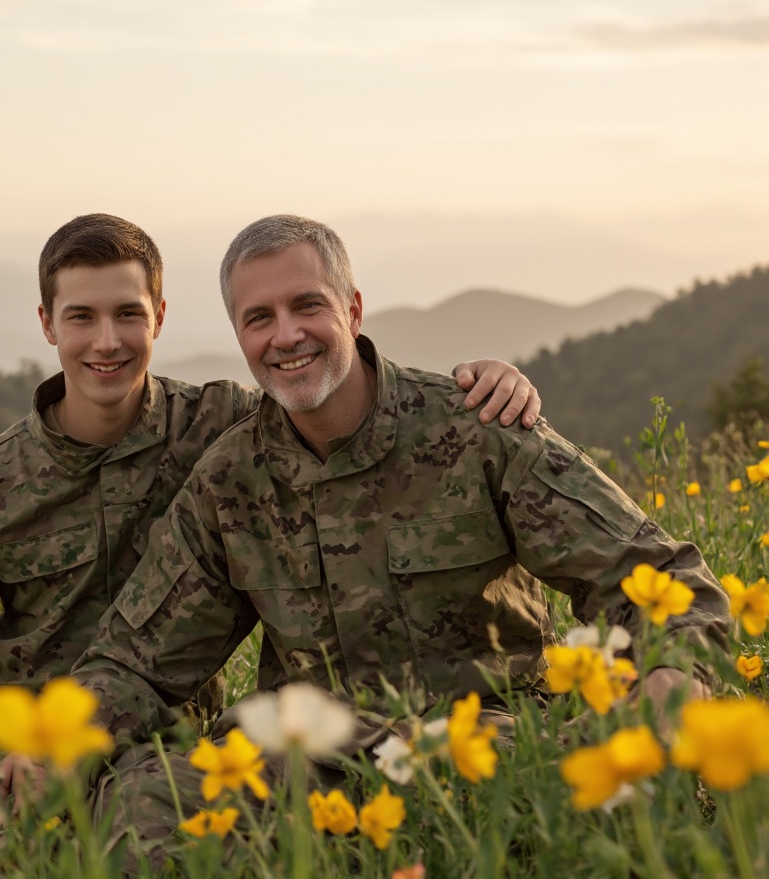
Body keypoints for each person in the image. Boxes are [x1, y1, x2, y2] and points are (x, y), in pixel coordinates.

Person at [0, 213, 539, 838]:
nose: (107, 341)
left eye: (128, 314)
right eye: (81, 316)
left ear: (160, 316)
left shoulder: (225, 433)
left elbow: (327, 389)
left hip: (135, 742)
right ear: (47, 324)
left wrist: (481, 383)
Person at [71, 214, 730, 863]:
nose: (286, 335)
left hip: (485, 748)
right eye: (259, 318)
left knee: (614, 786)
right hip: (310, 765)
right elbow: (137, 660)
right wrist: (52, 754)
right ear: (240, 336)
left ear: (353, 309)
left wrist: (672, 674)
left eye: (308, 305)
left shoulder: (476, 429)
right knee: (142, 803)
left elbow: (659, 576)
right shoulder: (229, 480)